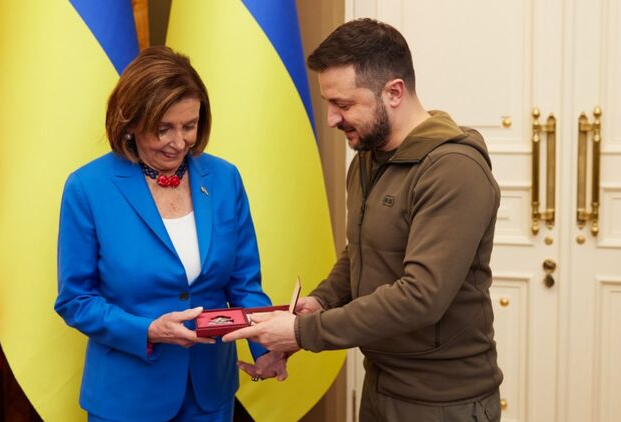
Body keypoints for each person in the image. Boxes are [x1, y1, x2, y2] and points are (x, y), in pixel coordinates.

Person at [223, 19, 503, 421]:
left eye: (344, 104)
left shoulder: (453, 169)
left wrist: (302, 333)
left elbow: (421, 297)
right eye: (329, 103)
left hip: (444, 402)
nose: (332, 119)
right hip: (380, 386)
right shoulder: (367, 161)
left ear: (394, 92)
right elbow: (361, 251)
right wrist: (320, 302)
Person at [55, 46, 287, 422]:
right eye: (163, 129)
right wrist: (147, 330)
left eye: (189, 126)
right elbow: (76, 300)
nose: (179, 142)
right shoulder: (87, 188)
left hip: (210, 394)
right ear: (130, 122)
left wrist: (267, 347)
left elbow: (244, 284)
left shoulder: (225, 178)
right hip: (127, 398)